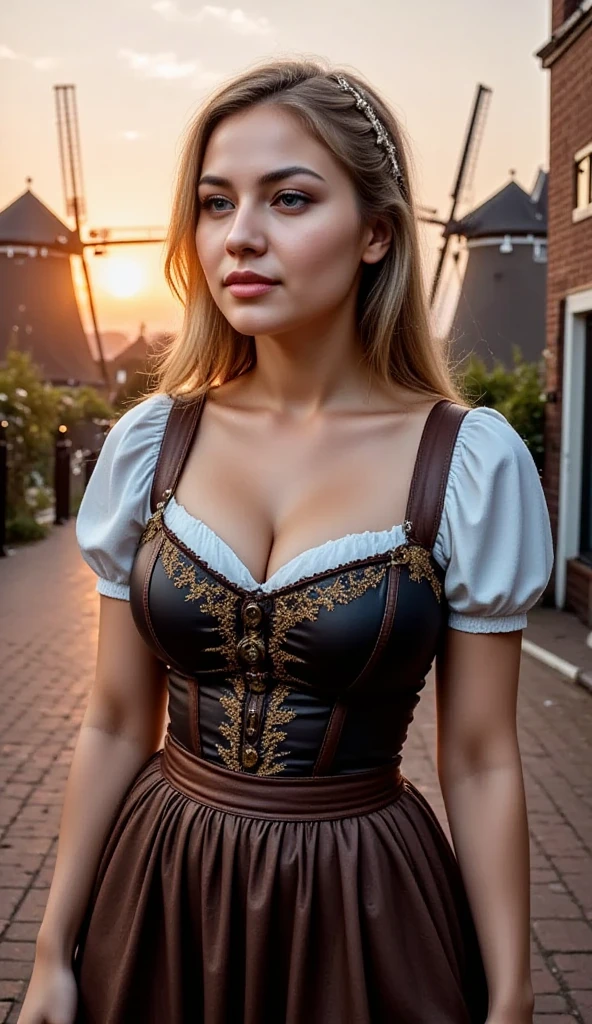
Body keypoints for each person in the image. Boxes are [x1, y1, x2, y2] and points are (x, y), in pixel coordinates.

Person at [19, 58, 554, 1024]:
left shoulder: (467, 462)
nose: (242, 237)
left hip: (363, 899)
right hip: (161, 888)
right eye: (216, 203)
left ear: (378, 233)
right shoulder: (154, 443)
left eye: (291, 199)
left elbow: (478, 758)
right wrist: (53, 950)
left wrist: (511, 997)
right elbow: (110, 720)